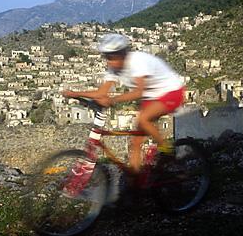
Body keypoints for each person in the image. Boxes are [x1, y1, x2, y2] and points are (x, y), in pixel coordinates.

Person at [63, 33, 185, 173]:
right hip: (150, 97)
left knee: (143, 119)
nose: (109, 62)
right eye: (106, 57)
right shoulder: (113, 68)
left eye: (111, 57)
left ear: (122, 54)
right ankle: (136, 180)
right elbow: (101, 92)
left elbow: (138, 92)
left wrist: (113, 100)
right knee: (135, 143)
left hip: (171, 91)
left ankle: (167, 150)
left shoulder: (137, 61)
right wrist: (75, 94)